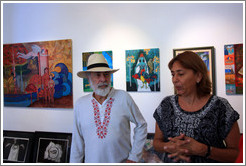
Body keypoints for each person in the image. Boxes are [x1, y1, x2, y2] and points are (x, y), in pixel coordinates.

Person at [153, 51, 240, 163]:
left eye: (180, 74)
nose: (175, 80)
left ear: (198, 76)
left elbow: (234, 154)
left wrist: (204, 150)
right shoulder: (166, 105)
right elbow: (156, 143)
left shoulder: (220, 107)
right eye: (173, 74)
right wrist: (169, 146)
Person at [70, 53, 147, 163]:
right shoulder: (80, 104)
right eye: (98, 75)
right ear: (88, 78)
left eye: (106, 74)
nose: (103, 79)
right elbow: (77, 142)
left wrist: (134, 158)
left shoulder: (123, 97)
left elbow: (142, 125)